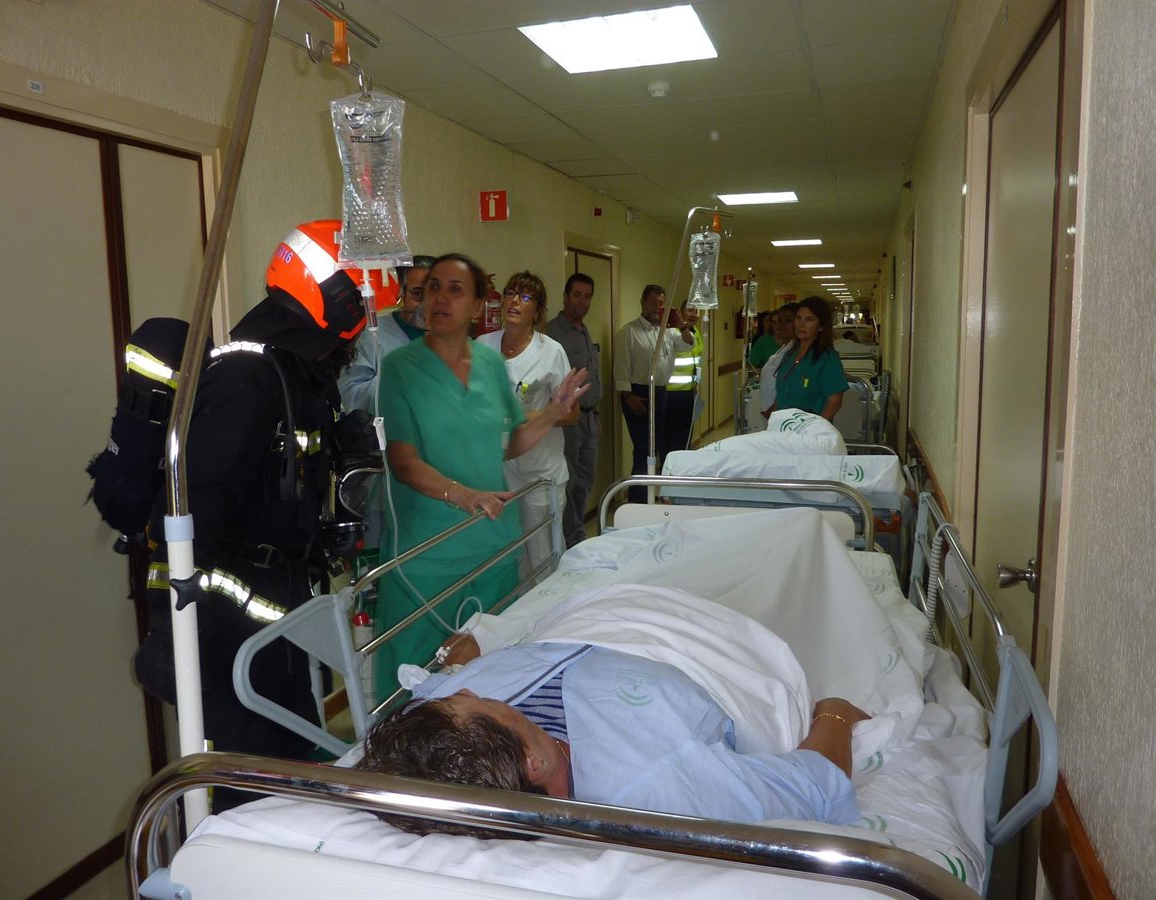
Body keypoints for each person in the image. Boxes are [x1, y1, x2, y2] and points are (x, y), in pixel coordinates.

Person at [135, 219, 364, 807]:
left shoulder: (297, 372)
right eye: (362, 294)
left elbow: (275, 484)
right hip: (229, 627)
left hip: (277, 611)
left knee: (291, 756)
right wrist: (174, 627)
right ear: (334, 299)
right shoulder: (248, 376)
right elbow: (191, 510)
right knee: (249, 777)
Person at [357, 637, 868, 837]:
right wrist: (835, 712)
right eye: (479, 702)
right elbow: (815, 785)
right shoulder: (659, 786)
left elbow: (435, 711)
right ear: (534, 764)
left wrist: (463, 665)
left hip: (579, 622)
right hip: (685, 635)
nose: (470, 690)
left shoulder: (441, 748)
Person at [375, 254, 588, 700]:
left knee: (487, 678)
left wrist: (552, 414)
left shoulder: (489, 365)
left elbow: (508, 441)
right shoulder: (400, 368)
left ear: (476, 307)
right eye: (433, 288)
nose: (440, 299)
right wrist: (460, 493)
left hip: (492, 546)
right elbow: (404, 461)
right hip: (428, 549)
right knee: (410, 684)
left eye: (455, 290)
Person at [476, 271, 575, 582]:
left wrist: (529, 415)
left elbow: (571, 413)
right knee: (511, 558)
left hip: (539, 474)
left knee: (543, 559)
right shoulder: (482, 346)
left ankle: (550, 611)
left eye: (526, 297)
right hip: (499, 473)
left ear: (538, 311)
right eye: (510, 293)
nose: (515, 301)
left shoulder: (551, 352)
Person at [614, 284, 693, 501]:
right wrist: (628, 396)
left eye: (661, 303)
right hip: (637, 395)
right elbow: (621, 367)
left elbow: (688, 343)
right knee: (643, 449)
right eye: (653, 302)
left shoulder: (668, 332)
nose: (657, 307)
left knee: (656, 448)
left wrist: (681, 325)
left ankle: (651, 494)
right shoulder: (629, 332)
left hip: (661, 394)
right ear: (642, 302)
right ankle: (638, 500)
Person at [337, 254, 435, 414]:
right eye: (418, 294)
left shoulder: (453, 338)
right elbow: (350, 396)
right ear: (401, 293)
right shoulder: (371, 334)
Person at [545, 273, 601, 548]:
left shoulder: (583, 331)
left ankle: (576, 533)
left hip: (589, 418)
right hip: (568, 421)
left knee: (585, 480)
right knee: (568, 480)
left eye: (587, 296)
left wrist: (595, 416)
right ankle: (569, 539)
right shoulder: (552, 334)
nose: (582, 301)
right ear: (566, 296)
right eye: (577, 295)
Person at [770, 295, 848, 421]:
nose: (801, 324)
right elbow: (780, 396)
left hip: (811, 428)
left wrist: (815, 427)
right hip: (784, 427)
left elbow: (834, 403)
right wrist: (773, 422)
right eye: (798, 318)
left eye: (809, 319)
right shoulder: (789, 356)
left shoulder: (827, 359)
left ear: (821, 326)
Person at [663, 300, 702, 455]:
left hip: (688, 392)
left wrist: (694, 384)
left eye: (696, 311)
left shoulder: (696, 332)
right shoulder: (672, 332)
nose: (694, 314)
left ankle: (683, 464)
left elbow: (696, 361)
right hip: (670, 393)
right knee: (669, 438)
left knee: (685, 435)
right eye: (690, 310)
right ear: (681, 311)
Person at [758, 302, 798, 422]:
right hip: (773, 416)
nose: (782, 325)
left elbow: (791, 386)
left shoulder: (798, 351)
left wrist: (772, 411)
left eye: (788, 320)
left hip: (781, 416)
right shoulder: (784, 349)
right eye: (779, 320)